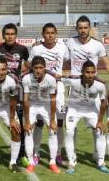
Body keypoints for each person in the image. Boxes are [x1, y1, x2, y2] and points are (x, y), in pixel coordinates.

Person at [65, 15, 109, 163]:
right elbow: (60, 57)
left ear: (90, 29)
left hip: (93, 88)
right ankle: (71, 156)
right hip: (75, 87)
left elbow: (106, 62)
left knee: (97, 126)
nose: (83, 30)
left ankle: (96, 153)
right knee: (70, 127)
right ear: (76, 29)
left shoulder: (97, 44)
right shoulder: (69, 42)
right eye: (80, 28)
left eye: (85, 27)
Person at [0, 23, 30, 167]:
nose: (10, 36)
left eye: (12, 34)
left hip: (14, 90)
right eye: (7, 34)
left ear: (16, 35)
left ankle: (21, 155)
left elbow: (27, 65)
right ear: (3, 35)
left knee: (17, 125)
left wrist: (25, 77)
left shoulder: (22, 49)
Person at [29, 23, 69, 165]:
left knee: (59, 122)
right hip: (41, 89)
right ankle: (36, 153)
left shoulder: (63, 48)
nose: (50, 35)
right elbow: (29, 67)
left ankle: (58, 153)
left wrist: (62, 74)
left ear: (56, 33)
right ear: (43, 34)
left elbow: (69, 64)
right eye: (47, 33)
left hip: (58, 89)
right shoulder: (36, 49)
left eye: (52, 32)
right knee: (39, 122)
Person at [61, 60, 109, 174]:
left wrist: (100, 121)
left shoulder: (100, 84)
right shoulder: (73, 80)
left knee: (100, 131)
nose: (90, 75)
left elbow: (103, 102)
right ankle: (71, 162)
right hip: (74, 109)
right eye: (87, 72)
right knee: (69, 132)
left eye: (93, 72)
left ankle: (101, 162)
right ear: (82, 72)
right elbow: (58, 78)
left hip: (91, 110)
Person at [22, 56, 60, 174]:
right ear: (32, 68)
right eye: (36, 68)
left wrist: (53, 120)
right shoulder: (26, 78)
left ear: (45, 68)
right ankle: (31, 162)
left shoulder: (51, 79)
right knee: (28, 131)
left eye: (41, 68)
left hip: (46, 105)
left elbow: (53, 100)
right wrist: (27, 121)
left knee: (53, 131)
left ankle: (52, 162)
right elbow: (26, 101)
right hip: (32, 105)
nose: (38, 70)